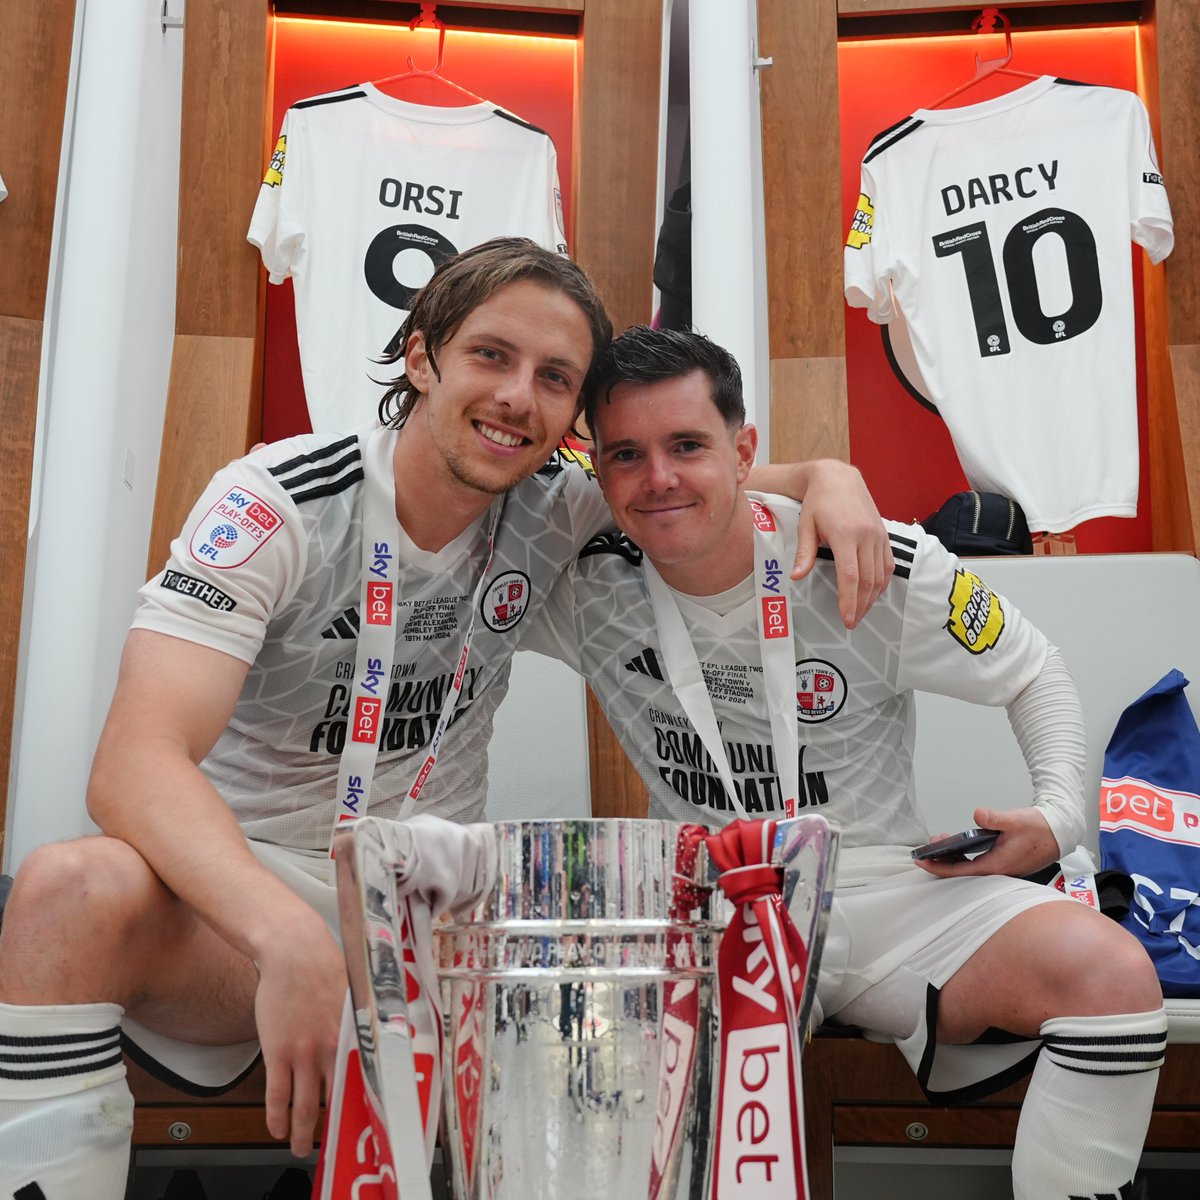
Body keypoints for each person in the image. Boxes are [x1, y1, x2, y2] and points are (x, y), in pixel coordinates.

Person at [0, 240, 894, 1199]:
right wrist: (279, 932)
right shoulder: (281, 504)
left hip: (437, 902)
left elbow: (695, 475)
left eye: (556, 379)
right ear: (423, 358)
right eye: (492, 356)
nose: (520, 396)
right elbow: (134, 765)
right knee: (65, 890)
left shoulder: (558, 504)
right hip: (256, 884)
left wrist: (827, 477)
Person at [519, 325, 1167, 1200]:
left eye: (687, 446)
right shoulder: (579, 574)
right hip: (708, 901)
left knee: (1113, 974)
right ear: (596, 466)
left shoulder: (873, 558)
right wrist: (824, 468)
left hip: (882, 888)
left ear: (745, 451)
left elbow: (1032, 669)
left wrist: (1058, 816)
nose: (658, 478)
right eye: (626, 455)